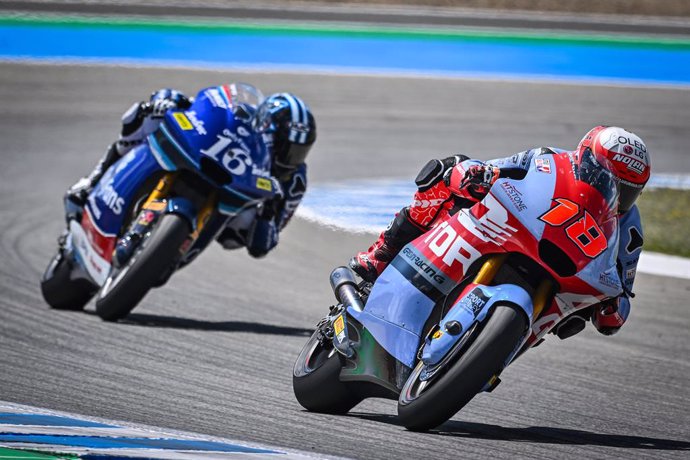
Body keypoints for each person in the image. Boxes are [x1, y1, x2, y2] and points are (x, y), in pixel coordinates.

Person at [349, 126, 649, 337]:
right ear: (585, 159)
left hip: (563, 277)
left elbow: (622, 295)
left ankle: (492, 351)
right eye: (609, 181)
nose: (616, 195)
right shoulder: (550, 158)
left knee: (575, 321)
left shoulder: (629, 229)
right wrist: (476, 173)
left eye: (627, 190)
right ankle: (384, 253)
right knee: (449, 170)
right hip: (515, 230)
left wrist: (612, 306)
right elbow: (496, 168)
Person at [65, 85, 316, 259]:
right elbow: (207, 108)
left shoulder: (294, 180)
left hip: (236, 199)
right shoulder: (245, 116)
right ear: (266, 127)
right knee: (146, 115)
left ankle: (177, 246)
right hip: (203, 157)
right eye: (286, 147)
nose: (290, 158)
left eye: (298, 152)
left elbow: (265, 243)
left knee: (250, 228)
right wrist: (173, 102)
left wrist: (269, 214)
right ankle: (92, 182)